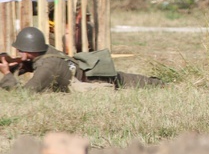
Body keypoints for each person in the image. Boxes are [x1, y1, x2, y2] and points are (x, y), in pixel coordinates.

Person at [0, 27, 163, 92]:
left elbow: (25, 94)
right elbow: (32, 64)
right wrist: (17, 65)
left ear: (29, 51)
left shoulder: (48, 67)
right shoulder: (46, 51)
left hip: (97, 80)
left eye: (20, 49)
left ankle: (162, 84)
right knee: (137, 81)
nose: (18, 51)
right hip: (91, 73)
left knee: (143, 84)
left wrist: (7, 74)